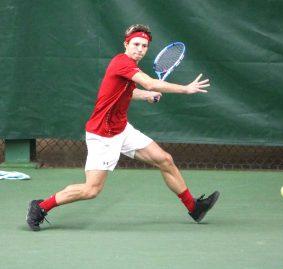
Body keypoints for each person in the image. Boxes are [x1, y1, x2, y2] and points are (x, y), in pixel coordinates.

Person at [26, 24, 220, 231]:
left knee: (165, 160)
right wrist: (185, 89)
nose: (140, 49)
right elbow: (151, 84)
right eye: (136, 44)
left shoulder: (130, 68)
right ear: (126, 44)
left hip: (122, 130)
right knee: (91, 189)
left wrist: (145, 96)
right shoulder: (122, 62)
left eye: (144, 46)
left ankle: (194, 207)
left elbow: (126, 92)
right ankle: (40, 207)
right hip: (103, 135)